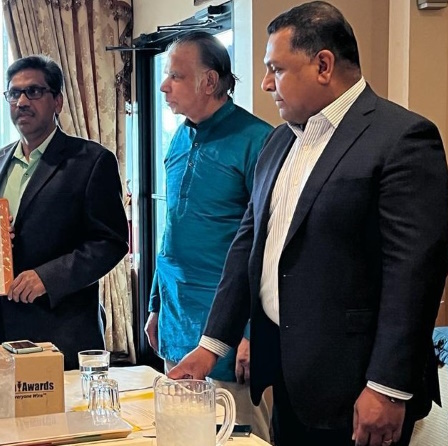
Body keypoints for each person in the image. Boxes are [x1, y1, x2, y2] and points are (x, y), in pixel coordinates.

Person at [168, 3, 448, 446]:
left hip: (358, 389)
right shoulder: (279, 141)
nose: (265, 83)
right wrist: (212, 345)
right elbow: (248, 246)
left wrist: (387, 387)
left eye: (276, 69)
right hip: (288, 378)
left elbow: (414, 275)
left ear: (323, 65)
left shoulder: (401, 138)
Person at [143, 31, 273, 441]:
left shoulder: (259, 140)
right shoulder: (179, 136)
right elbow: (172, 228)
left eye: (175, 76)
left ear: (210, 82)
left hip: (229, 328)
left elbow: (268, 244)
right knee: (183, 433)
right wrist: (155, 304)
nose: (164, 86)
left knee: (238, 436)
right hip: (175, 317)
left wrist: (252, 331)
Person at [0, 55, 128, 371]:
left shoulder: (91, 161)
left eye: (33, 91)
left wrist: (48, 277)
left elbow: (110, 242)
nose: (22, 102)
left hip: (62, 331)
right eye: (14, 93)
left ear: (57, 101)